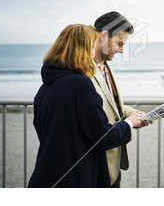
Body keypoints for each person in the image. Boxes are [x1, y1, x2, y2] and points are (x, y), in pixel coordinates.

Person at [28, 24, 143, 188]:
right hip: (74, 177)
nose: (94, 52)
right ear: (84, 49)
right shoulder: (80, 84)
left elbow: (42, 128)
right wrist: (129, 123)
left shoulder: (46, 86)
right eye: (93, 46)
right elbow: (102, 136)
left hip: (46, 173)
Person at [92, 11, 150, 188]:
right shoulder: (84, 72)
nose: (121, 50)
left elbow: (109, 103)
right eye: (119, 43)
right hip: (97, 160)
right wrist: (128, 123)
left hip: (113, 162)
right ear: (103, 36)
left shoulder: (105, 67)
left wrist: (133, 114)